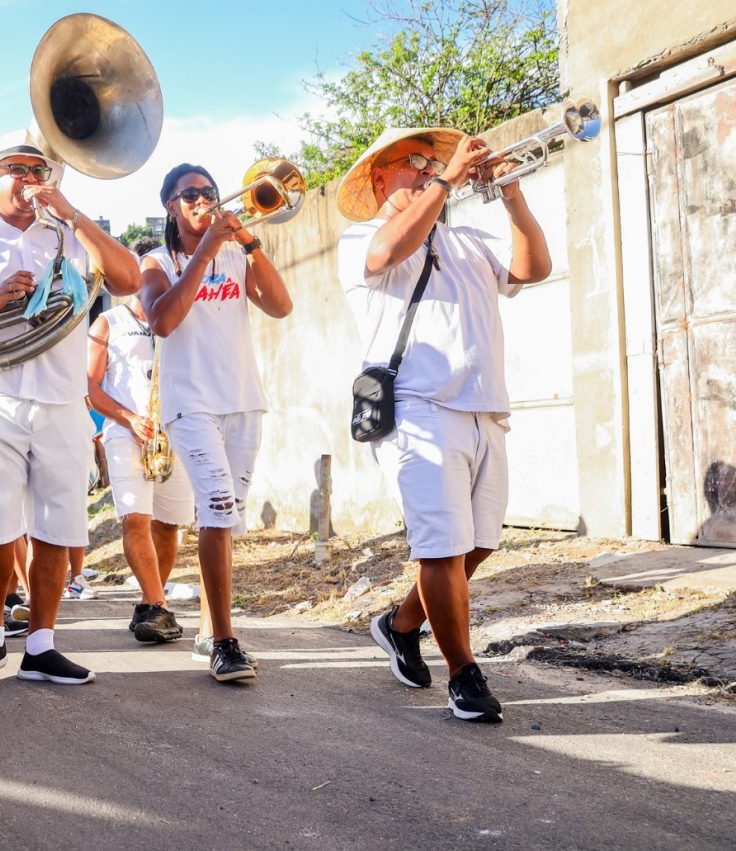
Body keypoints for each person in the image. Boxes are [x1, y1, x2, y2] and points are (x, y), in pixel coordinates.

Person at [337, 127, 550, 724]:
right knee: (442, 548)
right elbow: (385, 253)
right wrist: (450, 177)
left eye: (434, 161)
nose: (429, 169)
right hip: (418, 412)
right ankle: (464, 673)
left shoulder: (467, 241)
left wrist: (510, 194)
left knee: (478, 543)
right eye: (415, 163)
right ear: (380, 178)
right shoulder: (363, 239)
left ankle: (401, 625)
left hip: (485, 408)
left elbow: (534, 268)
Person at [0, 129, 141, 687]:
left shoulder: (69, 235)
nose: (27, 179)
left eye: (37, 170)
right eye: (16, 169)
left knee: (57, 526)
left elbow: (129, 278)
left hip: (63, 400)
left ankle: (41, 644)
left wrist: (74, 214)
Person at [140, 163, 293, 683]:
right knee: (217, 505)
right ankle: (225, 642)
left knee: (226, 518)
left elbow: (280, 305)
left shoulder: (236, 253)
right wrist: (205, 250)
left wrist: (248, 242)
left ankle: (210, 626)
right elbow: (162, 319)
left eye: (208, 191)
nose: (203, 200)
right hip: (191, 403)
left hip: (243, 399)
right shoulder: (155, 261)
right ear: (171, 206)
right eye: (190, 195)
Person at [87, 238, 195, 642]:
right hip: (125, 431)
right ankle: (158, 604)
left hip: (175, 433)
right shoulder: (109, 322)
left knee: (169, 526)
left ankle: (152, 605)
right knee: (135, 519)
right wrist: (129, 418)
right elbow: (90, 385)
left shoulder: (179, 317)